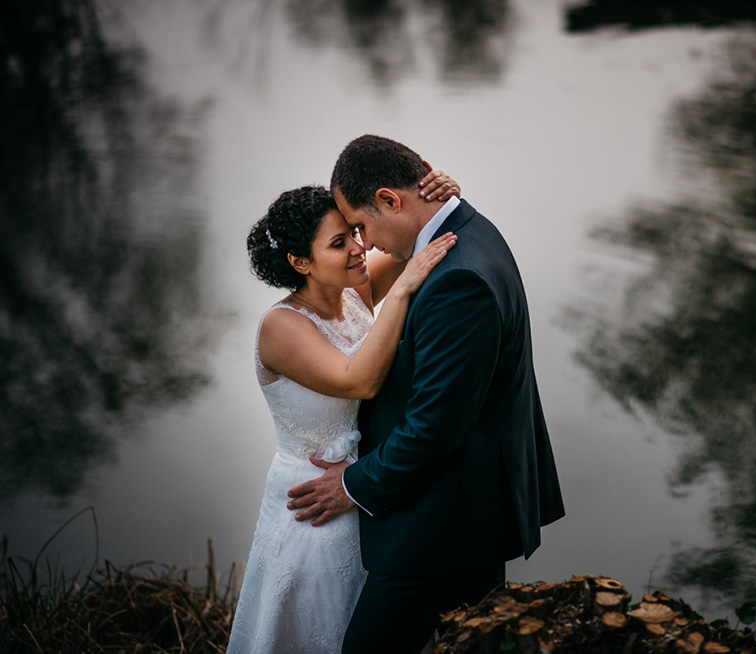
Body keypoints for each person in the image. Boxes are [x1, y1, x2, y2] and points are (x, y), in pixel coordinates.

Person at [285, 134, 565, 653]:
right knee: (475, 644)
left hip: (440, 526)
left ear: (390, 199)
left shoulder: (457, 279)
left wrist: (350, 485)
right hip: (465, 510)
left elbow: (434, 427)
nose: (365, 244)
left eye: (362, 226)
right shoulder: (470, 232)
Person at [228, 171, 461, 654]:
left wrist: (437, 193)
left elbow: (408, 240)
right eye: (339, 243)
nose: (359, 248)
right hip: (311, 501)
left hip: (360, 486)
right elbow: (360, 380)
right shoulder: (281, 326)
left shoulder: (353, 293)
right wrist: (402, 290)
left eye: (354, 232)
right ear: (301, 263)